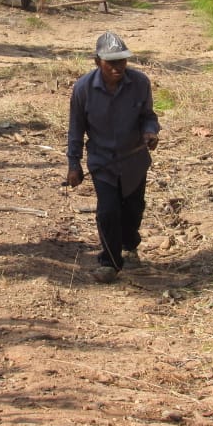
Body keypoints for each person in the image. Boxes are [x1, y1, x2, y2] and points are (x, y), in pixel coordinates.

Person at [66, 32, 161, 284]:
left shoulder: (140, 83)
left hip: (134, 161)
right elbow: (76, 129)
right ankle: (109, 262)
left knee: (133, 210)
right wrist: (73, 164)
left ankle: (130, 246)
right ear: (98, 62)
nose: (118, 67)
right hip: (102, 162)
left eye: (122, 61)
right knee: (108, 212)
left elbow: (148, 116)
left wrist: (150, 132)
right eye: (112, 63)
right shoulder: (83, 88)